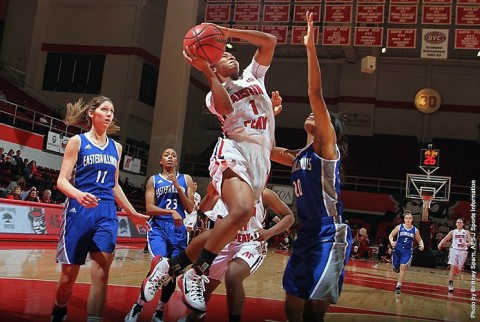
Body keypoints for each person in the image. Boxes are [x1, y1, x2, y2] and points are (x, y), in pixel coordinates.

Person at [140, 22, 277, 314]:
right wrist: (207, 71)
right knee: (241, 212)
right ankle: (196, 272)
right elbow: (227, 109)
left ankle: (172, 265)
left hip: (260, 160)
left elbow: (269, 42)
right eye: (223, 55)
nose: (231, 55)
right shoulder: (213, 93)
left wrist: (227, 32)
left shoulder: (255, 77)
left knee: (233, 221)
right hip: (233, 150)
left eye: (230, 53)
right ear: (213, 64)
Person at [269, 12, 351, 321]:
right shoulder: (297, 155)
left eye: (320, 116)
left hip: (330, 232)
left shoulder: (324, 147)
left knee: (315, 309)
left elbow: (315, 93)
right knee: (292, 300)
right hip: (306, 234)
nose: (313, 114)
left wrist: (310, 47)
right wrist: (271, 114)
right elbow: (265, 149)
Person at [50, 96, 150, 322]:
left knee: (101, 274)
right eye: (104, 109)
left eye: (112, 111)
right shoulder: (77, 141)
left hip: (106, 212)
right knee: (68, 276)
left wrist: (132, 212)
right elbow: (62, 181)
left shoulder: (116, 147)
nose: (109, 114)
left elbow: (114, 185)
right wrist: (77, 194)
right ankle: (59, 310)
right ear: (91, 113)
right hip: (79, 210)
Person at [180, 186, 295, 322]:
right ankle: (198, 315)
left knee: (233, 276)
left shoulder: (264, 193)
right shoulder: (225, 190)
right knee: (204, 288)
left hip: (250, 243)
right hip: (223, 243)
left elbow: (289, 217)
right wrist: (210, 196)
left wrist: (269, 232)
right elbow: (203, 210)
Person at [125, 148, 195, 322]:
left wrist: (178, 188)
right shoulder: (153, 180)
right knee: (159, 266)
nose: (170, 157)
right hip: (158, 228)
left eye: (173, 156)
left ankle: (159, 312)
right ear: (161, 161)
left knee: (172, 271)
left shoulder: (186, 179)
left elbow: (190, 208)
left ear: (177, 161)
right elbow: (150, 208)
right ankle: (137, 307)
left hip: (179, 230)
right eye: (166, 155)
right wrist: (171, 212)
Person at [389, 210, 425, 295]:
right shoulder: (399, 227)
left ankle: (398, 286)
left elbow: (419, 240)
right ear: (404, 219)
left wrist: (422, 245)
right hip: (397, 250)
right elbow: (391, 235)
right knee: (396, 267)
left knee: (403, 266)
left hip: (407, 251)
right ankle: (395, 267)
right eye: (406, 218)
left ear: (412, 219)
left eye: (409, 218)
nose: (408, 220)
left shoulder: (415, 230)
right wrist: (391, 241)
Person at [437, 218, 472, 292]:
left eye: (461, 222)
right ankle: (450, 285)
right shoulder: (453, 232)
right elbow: (446, 238)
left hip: (463, 251)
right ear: (456, 224)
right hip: (454, 250)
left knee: (458, 270)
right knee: (452, 268)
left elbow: (471, 242)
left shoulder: (466, 232)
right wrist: (440, 243)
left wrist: (465, 244)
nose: (459, 223)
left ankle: (458, 269)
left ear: (463, 224)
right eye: (458, 222)